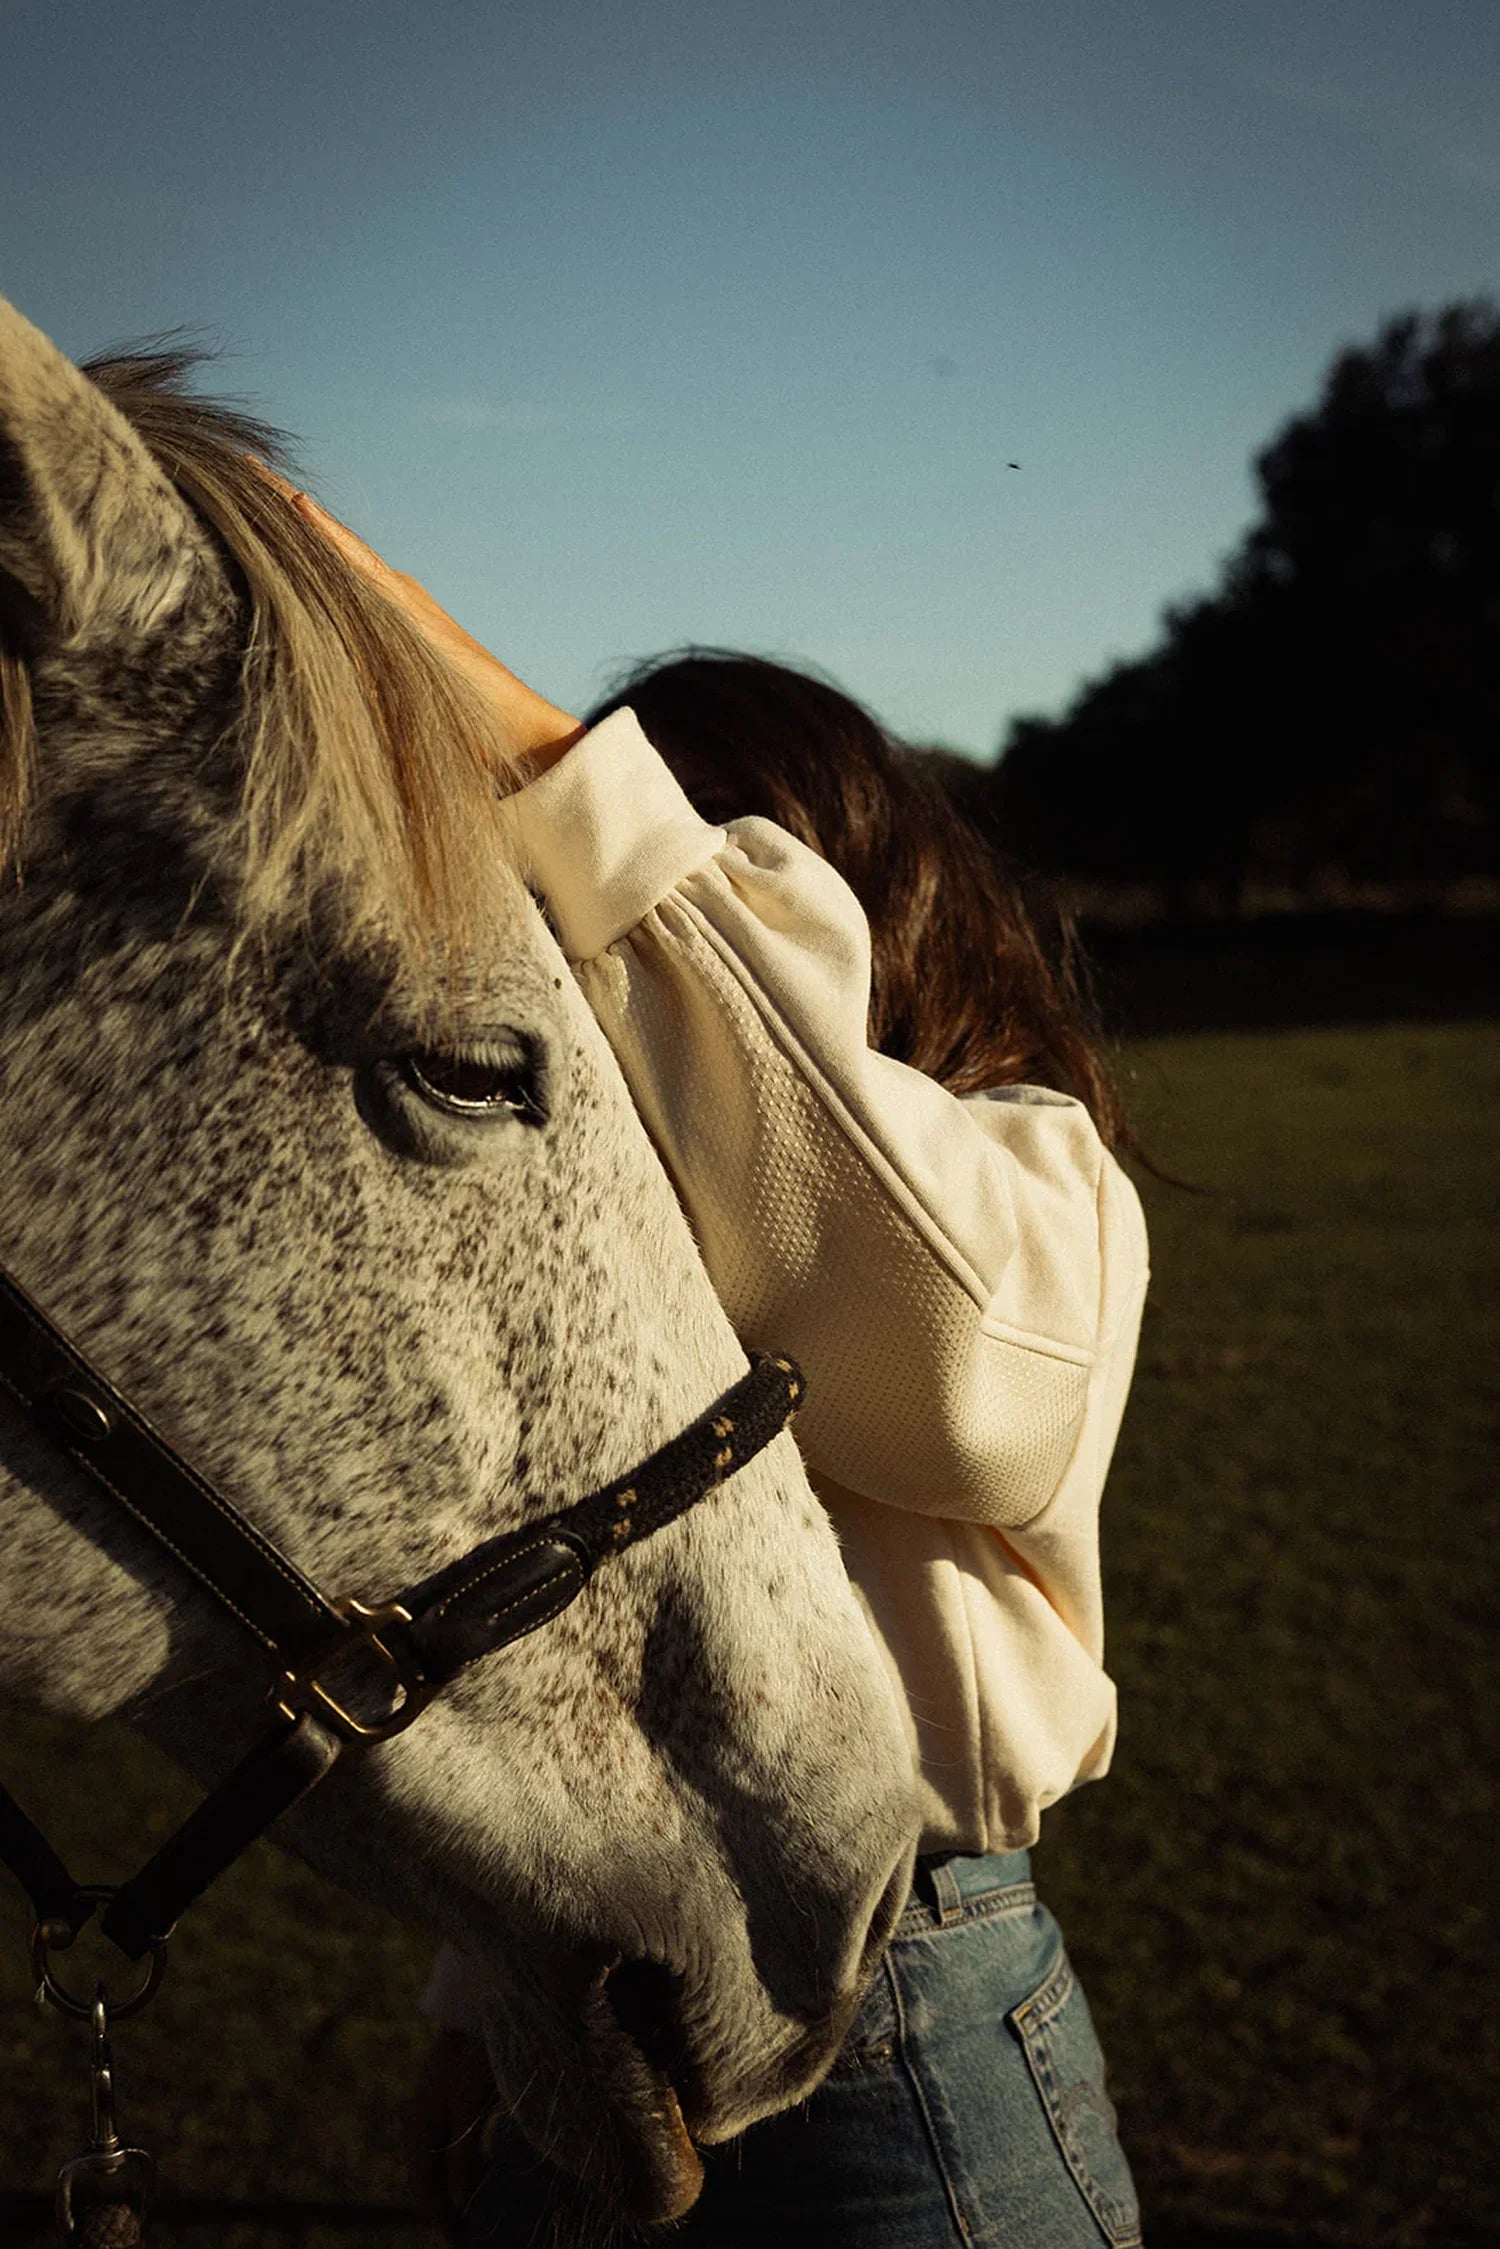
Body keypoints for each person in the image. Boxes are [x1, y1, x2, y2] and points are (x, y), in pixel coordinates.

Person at [277, 483, 1149, 2249]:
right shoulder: (612, 1225)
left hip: (905, 2012)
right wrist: (480, 2006)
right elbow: (554, 1619)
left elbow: (959, 1372)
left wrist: (563, 779)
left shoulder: (1040, 1170)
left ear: (838, 888)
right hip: (583, 2003)